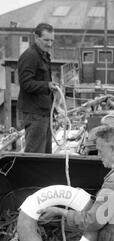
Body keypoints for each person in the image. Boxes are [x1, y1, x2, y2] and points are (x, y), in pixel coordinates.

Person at [17, 23, 57, 153]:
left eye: (52, 40)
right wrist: (47, 85)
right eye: (46, 40)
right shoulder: (30, 56)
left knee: (45, 155)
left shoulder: (43, 55)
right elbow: (26, 83)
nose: (49, 44)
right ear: (36, 37)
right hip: (35, 114)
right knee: (35, 154)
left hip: (44, 112)